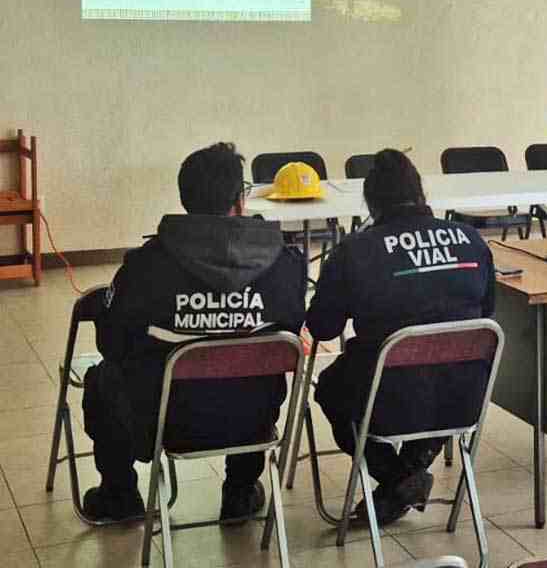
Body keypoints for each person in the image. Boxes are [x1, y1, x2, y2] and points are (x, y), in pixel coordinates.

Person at [81, 142, 307, 522]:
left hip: (162, 422)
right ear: (240, 200)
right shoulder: (285, 266)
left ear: (186, 201)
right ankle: (239, 492)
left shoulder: (144, 266)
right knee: (254, 368)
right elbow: (292, 332)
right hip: (251, 422)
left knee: (101, 379)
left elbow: (113, 344)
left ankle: (119, 494)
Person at [306, 149, 496, 525]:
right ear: (420, 193)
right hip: (465, 397)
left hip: (386, 401)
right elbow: (486, 314)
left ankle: (398, 479)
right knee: (439, 381)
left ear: (371, 201)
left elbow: (323, 328)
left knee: (329, 389)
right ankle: (409, 472)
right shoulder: (471, 241)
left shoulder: (354, 252)